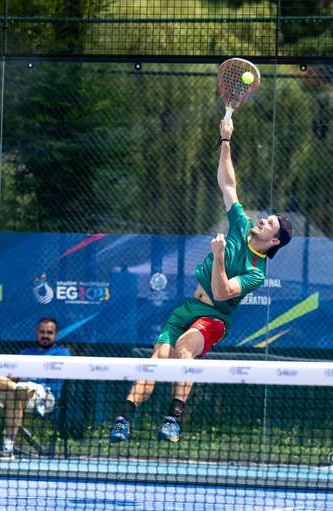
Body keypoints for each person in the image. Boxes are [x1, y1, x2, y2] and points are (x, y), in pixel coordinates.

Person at [109, 117, 293, 444]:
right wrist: (226, 140)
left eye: (270, 224)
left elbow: (223, 292)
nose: (263, 219)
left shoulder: (256, 271)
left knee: (184, 348)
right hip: (188, 308)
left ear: (275, 240)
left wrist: (220, 257)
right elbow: (228, 184)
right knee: (157, 360)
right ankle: (124, 418)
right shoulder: (240, 224)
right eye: (266, 217)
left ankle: (174, 418)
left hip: (213, 318)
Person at [0, 316, 72, 459]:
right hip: (20, 392)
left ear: (55, 335)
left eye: (49, 333)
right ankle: (8, 450)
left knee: (16, 394)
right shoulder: (25, 353)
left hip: (45, 397)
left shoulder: (62, 353)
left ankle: (7, 448)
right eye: (42, 332)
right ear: (37, 333)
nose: (45, 335)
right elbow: (11, 375)